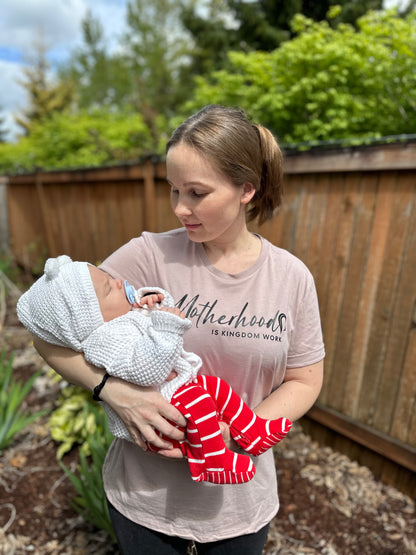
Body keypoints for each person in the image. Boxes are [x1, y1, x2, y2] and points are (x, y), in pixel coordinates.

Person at [32, 104, 325, 554]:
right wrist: (112, 389)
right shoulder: (147, 255)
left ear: (246, 189)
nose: (180, 208)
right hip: (144, 503)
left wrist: (236, 433)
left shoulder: (291, 277)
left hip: (240, 505)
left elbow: (305, 378)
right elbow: (48, 332)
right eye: (174, 191)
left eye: (196, 193)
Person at [17, 254, 292, 485]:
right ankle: (212, 461)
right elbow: (148, 371)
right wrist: (167, 327)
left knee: (215, 388)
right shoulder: (104, 340)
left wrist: (157, 304)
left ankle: (251, 429)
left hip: (177, 390)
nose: (118, 281)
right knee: (200, 401)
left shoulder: (122, 317)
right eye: (108, 289)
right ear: (88, 319)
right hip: (163, 415)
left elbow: (153, 324)